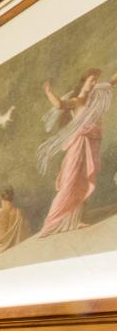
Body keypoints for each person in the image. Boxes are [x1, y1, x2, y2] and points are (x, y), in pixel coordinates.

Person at [37, 69, 117, 235]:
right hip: (78, 145)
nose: (93, 83)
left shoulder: (94, 97)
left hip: (91, 144)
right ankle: (51, 223)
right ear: (83, 81)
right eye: (91, 80)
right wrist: (48, 92)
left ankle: (76, 220)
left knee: (84, 182)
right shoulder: (77, 100)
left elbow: (111, 82)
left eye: (95, 80)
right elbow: (60, 105)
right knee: (70, 181)